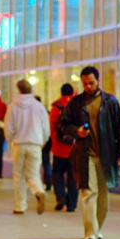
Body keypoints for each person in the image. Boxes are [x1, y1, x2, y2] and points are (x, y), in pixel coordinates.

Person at [60, 66, 120, 239]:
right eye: (85, 83)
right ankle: (90, 231)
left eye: (91, 83)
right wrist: (77, 131)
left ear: (98, 81)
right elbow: (63, 125)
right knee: (89, 192)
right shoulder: (75, 103)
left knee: (103, 196)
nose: (88, 86)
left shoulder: (110, 102)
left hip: (107, 155)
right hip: (85, 154)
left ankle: (97, 227)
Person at [4, 79, 50, 215]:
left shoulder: (13, 106)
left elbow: (9, 128)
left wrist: (10, 140)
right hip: (35, 144)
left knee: (18, 175)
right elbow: (45, 127)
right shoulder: (39, 106)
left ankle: (20, 205)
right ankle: (39, 191)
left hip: (19, 144)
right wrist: (43, 140)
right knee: (33, 174)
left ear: (19, 90)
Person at [50, 83, 78, 212]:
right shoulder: (78, 105)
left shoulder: (56, 107)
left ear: (61, 93)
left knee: (57, 173)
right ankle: (71, 204)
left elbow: (52, 128)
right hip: (75, 147)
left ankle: (60, 197)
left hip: (59, 148)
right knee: (73, 176)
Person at [35, 95, 52, 191]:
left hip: (38, 140)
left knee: (37, 163)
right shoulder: (45, 111)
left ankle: (38, 182)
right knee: (46, 162)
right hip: (46, 140)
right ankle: (48, 180)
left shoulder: (34, 113)